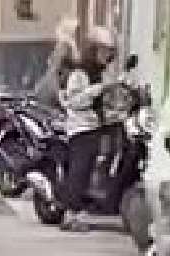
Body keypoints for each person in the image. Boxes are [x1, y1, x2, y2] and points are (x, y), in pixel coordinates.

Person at [58, 25, 117, 233]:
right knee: (79, 172)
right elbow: (73, 101)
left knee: (91, 170)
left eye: (109, 51)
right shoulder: (80, 74)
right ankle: (69, 214)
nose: (107, 55)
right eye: (103, 50)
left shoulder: (103, 74)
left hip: (96, 127)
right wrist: (95, 91)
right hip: (81, 129)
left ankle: (84, 210)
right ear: (93, 50)